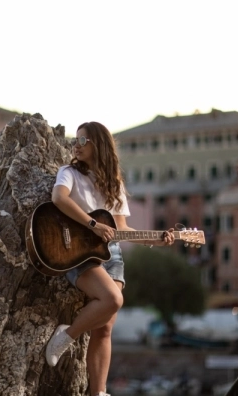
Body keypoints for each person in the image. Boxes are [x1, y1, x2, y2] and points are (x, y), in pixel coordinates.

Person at [43, 121, 175, 396]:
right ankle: (65, 336)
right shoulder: (69, 173)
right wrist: (93, 225)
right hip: (79, 252)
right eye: (75, 141)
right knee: (113, 300)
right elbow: (59, 198)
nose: (75, 146)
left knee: (104, 330)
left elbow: (122, 229)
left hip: (112, 255)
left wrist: (157, 239)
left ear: (98, 145)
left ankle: (98, 393)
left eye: (82, 141)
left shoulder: (113, 184)